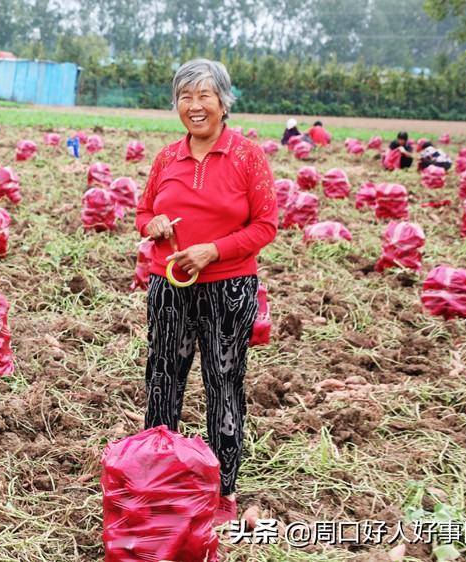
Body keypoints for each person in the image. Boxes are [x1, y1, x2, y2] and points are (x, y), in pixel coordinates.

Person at [136, 58, 277, 527]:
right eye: (184, 97)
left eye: (204, 96)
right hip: (168, 286)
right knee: (163, 379)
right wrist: (151, 223)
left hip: (228, 289)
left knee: (223, 384)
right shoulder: (166, 158)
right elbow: (143, 213)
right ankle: (156, 481)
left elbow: (265, 226)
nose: (194, 106)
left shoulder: (246, 157)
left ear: (223, 102)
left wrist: (213, 251)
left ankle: (222, 493)